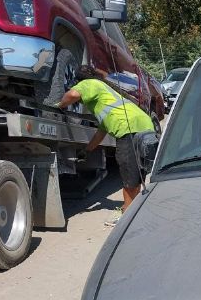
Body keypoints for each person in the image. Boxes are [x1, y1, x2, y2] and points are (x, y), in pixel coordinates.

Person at [55, 65, 156, 226]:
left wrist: (60, 105)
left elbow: (73, 94)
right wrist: (86, 151)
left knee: (129, 174)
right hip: (144, 125)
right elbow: (100, 133)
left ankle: (126, 217)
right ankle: (134, 209)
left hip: (127, 128)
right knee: (137, 172)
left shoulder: (89, 83)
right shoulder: (105, 97)